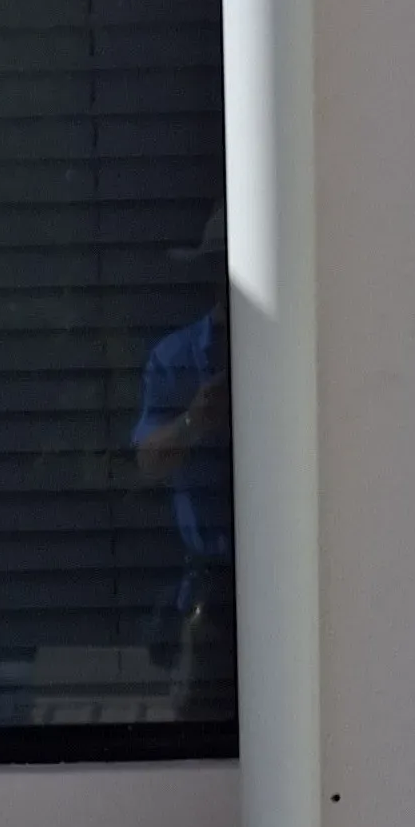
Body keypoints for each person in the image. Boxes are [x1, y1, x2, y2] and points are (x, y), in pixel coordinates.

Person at [135, 214, 233, 717]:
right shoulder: (176, 360)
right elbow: (149, 461)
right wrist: (196, 420)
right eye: (221, 267)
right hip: (213, 591)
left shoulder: (313, 350)